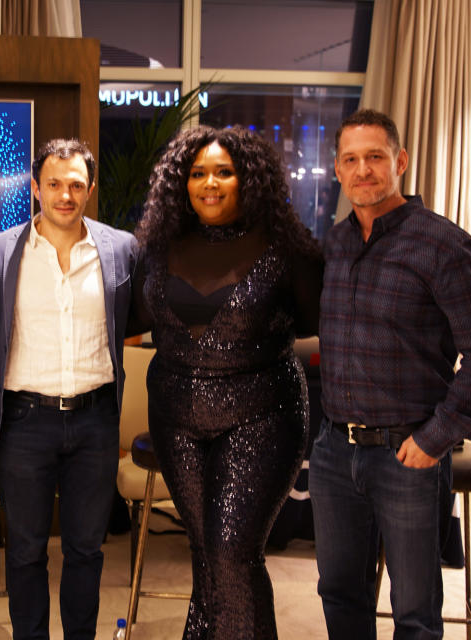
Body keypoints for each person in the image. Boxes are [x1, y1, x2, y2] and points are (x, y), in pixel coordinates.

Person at [310, 108, 471, 640]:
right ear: (336, 170)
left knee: (416, 614)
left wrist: (437, 436)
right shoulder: (333, 245)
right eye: (351, 160)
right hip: (335, 452)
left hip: (409, 456)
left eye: (375, 157)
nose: (363, 170)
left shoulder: (442, 244)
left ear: (400, 161)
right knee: (339, 593)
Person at [134, 125, 322, 639]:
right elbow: (131, 319)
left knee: (232, 555)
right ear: (181, 183)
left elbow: (318, 325)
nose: (209, 183)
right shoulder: (157, 247)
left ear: (248, 179)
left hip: (262, 417)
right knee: (206, 554)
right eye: (197, 173)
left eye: (223, 172)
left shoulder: (289, 250)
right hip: (176, 420)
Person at [0, 138, 138, 640]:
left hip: (95, 421)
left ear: (90, 190)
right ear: (35, 188)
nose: (65, 195)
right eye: (53, 184)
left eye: (76, 185)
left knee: (86, 551)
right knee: (25, 551)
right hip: (25, 421)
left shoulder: (120, 248)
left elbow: (133, 322)